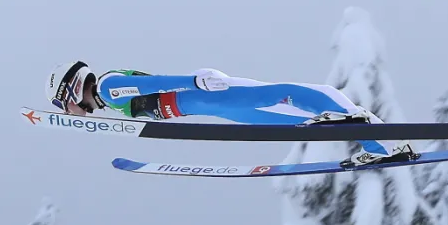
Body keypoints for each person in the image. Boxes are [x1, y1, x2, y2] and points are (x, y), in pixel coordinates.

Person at [46, 60, 418, 166]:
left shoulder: (109, 87)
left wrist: (194, 79)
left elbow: (154, 83)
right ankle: (384, 144)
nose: (73, 111)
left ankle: (366, 125)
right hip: (213, 106)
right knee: (299, 126)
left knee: (284, 94)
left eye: (66, 104)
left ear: (74, 91)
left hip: (209, 93)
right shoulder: (109, 100)